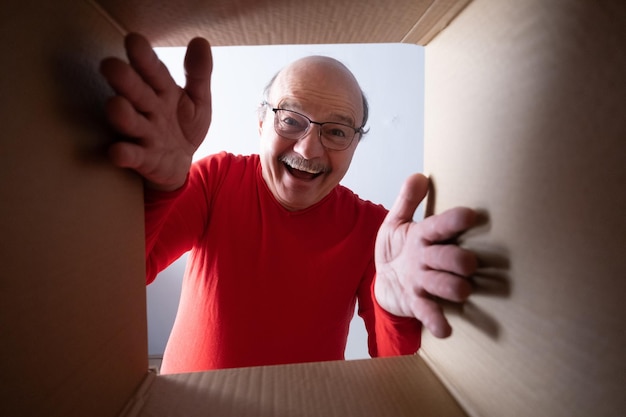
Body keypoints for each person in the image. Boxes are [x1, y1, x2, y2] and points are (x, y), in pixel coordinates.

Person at [100, 33, 478, 374]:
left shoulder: (377, 232)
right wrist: (160, 192)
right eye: (291, 121)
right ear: (262, 122)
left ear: (355, 145)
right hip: (188, 404)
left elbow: (396, 372)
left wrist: (396, 315)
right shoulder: (216, 178)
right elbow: (124, 275)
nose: (309, 148)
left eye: (336, 131)